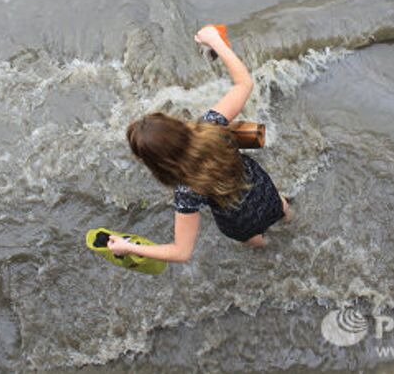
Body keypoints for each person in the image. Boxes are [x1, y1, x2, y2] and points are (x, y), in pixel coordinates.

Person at [107, 25, 292, 263]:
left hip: (238, 221)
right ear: (175, 124)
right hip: (261, 188)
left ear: (153, 162)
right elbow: (244, 84)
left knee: (253, 239)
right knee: (281, 206)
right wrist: (217, 42)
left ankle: (271, 252)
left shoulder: (186, 190)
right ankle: (291, 221)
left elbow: (181, 252)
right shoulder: (211, 125)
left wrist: (129, 247)